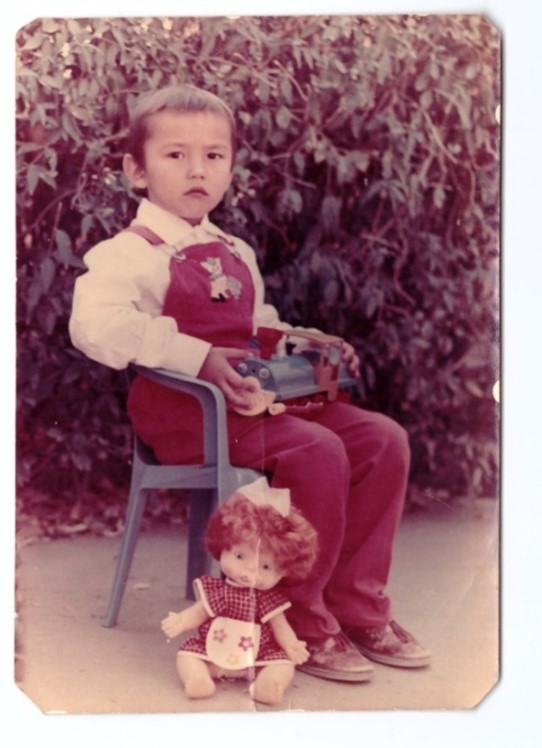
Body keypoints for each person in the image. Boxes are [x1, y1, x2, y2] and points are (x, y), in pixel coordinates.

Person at [69, 83, 431, 683]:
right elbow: (96, 327)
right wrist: (198, 357)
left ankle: (358, 606)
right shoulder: (126, 254)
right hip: (187, 415)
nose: (197, 170)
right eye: (176, 154)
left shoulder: (232, 249)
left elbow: (254, 328)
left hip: (255, 405)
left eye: (214, 156)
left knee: (382, 438)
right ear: (137, 170)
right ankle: (306, 622)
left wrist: (305, 342)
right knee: (318, 450)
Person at [160, 478, 319, 705]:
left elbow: (280, 627)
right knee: (187, 656)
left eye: (265, 567)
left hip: (258, 657)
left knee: (283, 664)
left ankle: (267, 683)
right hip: (214, 652)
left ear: (285, 570)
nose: (248, 571)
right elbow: (200, 612)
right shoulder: (218, 591)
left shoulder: (269, 600)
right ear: (223, 545)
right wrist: (182, 621)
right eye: (239, 556)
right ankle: (199, 678)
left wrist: (292, 645)